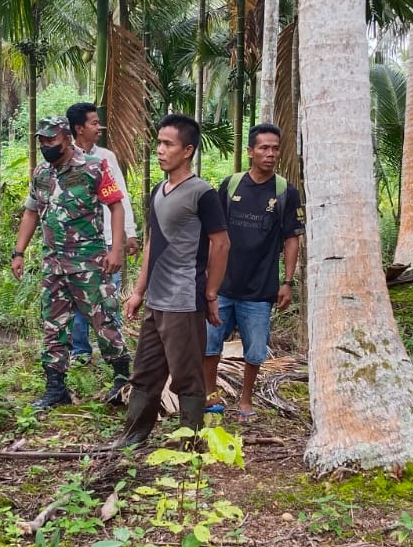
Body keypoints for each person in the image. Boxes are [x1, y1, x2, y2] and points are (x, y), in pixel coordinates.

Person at [117, 113, 229, 448]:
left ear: (187, 151)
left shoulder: (202, 193)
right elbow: (154, 243)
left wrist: (210, 293)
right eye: (159, 143)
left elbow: (221, 243)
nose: (161, 150)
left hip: (184, 299)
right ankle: (132, 439)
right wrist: (138, 292)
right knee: (146, 373)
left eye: (169, 144)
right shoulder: (159, 190)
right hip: (157, 300)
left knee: (187, 376)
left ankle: (189, 444)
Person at [11, 115, 130, 410]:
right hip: (54, 263)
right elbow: (31, 212)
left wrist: (116, 251)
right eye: (41, 141)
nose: (46, 146)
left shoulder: (92, 166)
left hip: (89, 263)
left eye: (51, 140)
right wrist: (19, 251)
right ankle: (56, 388)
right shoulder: (41, 173)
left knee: (104, 322)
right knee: (54, 326)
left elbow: (115, 207)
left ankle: (123, 380)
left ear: (66, 137)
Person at [203, 123, 304, 421]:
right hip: (222, 285)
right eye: (264, 148)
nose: (270, 154)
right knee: (210, 344)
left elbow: (291, 238)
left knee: (256, 350)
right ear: (250, 151)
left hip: (260, 289)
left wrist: (287, 281)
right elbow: (214, 232)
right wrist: (207, 276)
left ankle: (246, 401)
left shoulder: (285, 192)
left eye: (275, 148)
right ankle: (211, 394)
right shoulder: (231, 185)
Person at [66, 101, 139, 367]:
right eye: (94, 123)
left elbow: (121, 197)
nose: (100, 127)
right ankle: (81, 351)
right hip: (76, 242)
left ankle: (115, 353)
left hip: (108, 238)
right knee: (77, 297)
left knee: (109, 295)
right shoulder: (65, 158)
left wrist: (128, 233)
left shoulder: (106, 157)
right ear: (78, 128)